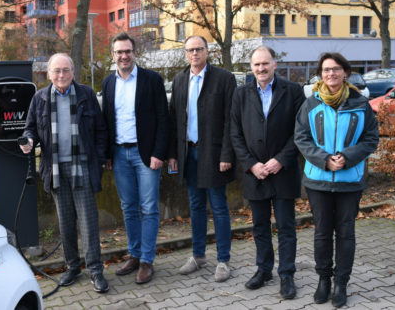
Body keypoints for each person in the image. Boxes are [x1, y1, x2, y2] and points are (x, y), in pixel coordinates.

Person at [294, 52, 379, 308]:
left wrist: (347, 157)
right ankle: (324, 280)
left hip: (349, 180)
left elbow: (371, 138)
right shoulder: (311, 104)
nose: (331, 74)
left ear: (345, 72)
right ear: (321, 74)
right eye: (326, 70)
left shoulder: (360, 103)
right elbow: (301, 137)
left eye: (336, 69)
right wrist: (324, 159)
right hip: (318, 180)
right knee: (321, 233)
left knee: (345, 233)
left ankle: (341, 283)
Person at [20, 53, 109, 293]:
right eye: (56, 71)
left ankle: (95, 270)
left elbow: (101, 131)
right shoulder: (39, 99)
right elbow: (30, 129)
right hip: (56, 169)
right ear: (49, 73)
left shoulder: (86, 95)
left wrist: (100, 161)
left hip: (83, 168)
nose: (61, 75)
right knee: (66, 224)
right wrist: (28, 141)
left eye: (66, 70)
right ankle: (72, 267)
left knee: (89, 224)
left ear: (73, 72)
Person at [230, 46, 305, 299]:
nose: (261, 69)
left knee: (285, 226)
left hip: (283, 171)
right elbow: (235, 135)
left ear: (274, 64)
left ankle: (286, 274)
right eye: (256, 65)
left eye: (265, 64)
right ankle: (264, 270)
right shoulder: (240, 94)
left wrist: (281, 160)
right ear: (251, 67)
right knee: (260, 226)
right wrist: (251, 164)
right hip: (256, 173)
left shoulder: (293, 91)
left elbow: (300, 132)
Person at [168, 35, 237, 282]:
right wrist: (173, 154)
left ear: (208, 51)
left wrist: (227, 154)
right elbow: (174, 119)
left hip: (215, 154)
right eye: (190, 50)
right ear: (185, 53)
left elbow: (232, 120)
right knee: (195, 206)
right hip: (188, 153)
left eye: (199, 49)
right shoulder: (179, 80)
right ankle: (198, 256)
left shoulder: (223, 79)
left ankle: (223, 260)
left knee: (219, 207)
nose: (194, 54)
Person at [102, 32, 169, 284]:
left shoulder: (152, 80)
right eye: (119, 52)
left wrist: (159, 153)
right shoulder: (109, 83)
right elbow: (107, 122)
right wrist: (108, 155)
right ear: (113, 55)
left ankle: (146, 261)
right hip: (119, 154)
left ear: (134, 53)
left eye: (128, 51)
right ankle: (134, 253)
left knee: (149, 208)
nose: (124, 56)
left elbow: (164, 119)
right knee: (128, 207)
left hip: (146, 154)